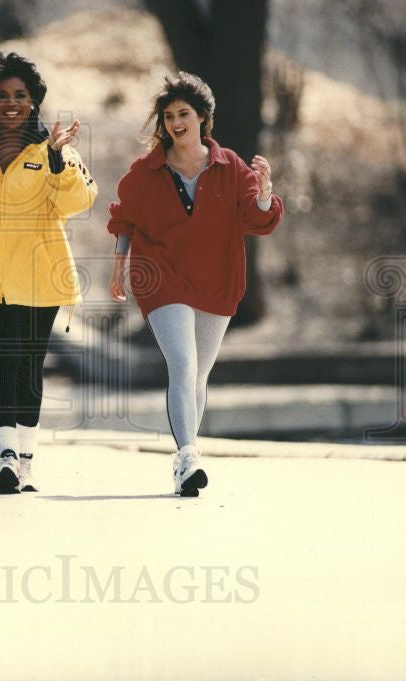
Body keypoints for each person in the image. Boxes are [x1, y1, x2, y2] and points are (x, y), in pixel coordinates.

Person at [107, 72, 283, 496]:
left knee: (199, 374)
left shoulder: (230, 167)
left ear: (203, 118)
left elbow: (257, 221)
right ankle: (187, 457)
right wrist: (119, 265)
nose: (174, 123)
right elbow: (124, 217)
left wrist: (264, 192)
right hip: (162, 277)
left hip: (216, 280)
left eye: (183, 114)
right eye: (167, 116)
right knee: (183, 365)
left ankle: (189, 454)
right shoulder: (145, 171)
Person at [0, 52, 98, 494]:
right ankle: (5, 458)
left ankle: (26, 461)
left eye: (20, 95)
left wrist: (55, 160)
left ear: (35, 100)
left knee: (29, 364)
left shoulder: (57, 151)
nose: (11, 103)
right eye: (1, 96)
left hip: (40, 274)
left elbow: (79, 202)